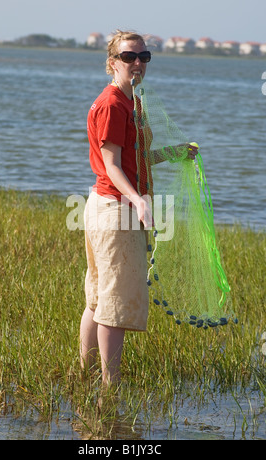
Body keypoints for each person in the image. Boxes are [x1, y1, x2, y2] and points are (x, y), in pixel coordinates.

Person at [80, 30, 198, 386]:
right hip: (114, 211)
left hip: (108, 206)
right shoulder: (114, 103)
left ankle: (84, 375)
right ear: (112, 62)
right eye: (129, 57)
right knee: (113, 307)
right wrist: (139, 201)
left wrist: (171, 153)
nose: (137, 63)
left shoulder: (135, 102)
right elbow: (112, 164)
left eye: (144, 57)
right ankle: (109, 388)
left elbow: (137, 158)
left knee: (98, 299)